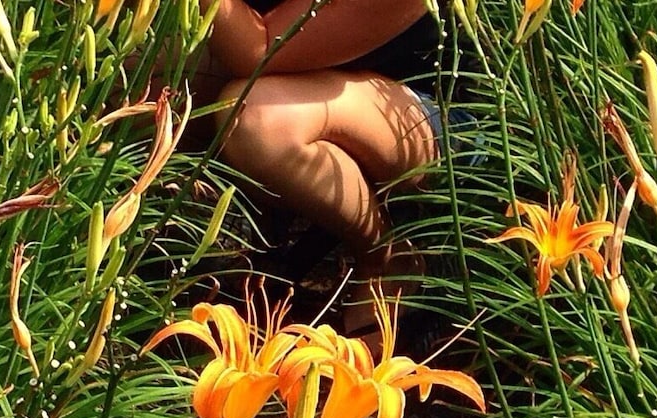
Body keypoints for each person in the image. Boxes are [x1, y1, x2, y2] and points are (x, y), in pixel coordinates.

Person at [191, 0, 466, 336]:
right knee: (132, 75)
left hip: (426, 110)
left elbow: (260, 50)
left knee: (257, 121)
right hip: (304, 73)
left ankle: (386, 258)